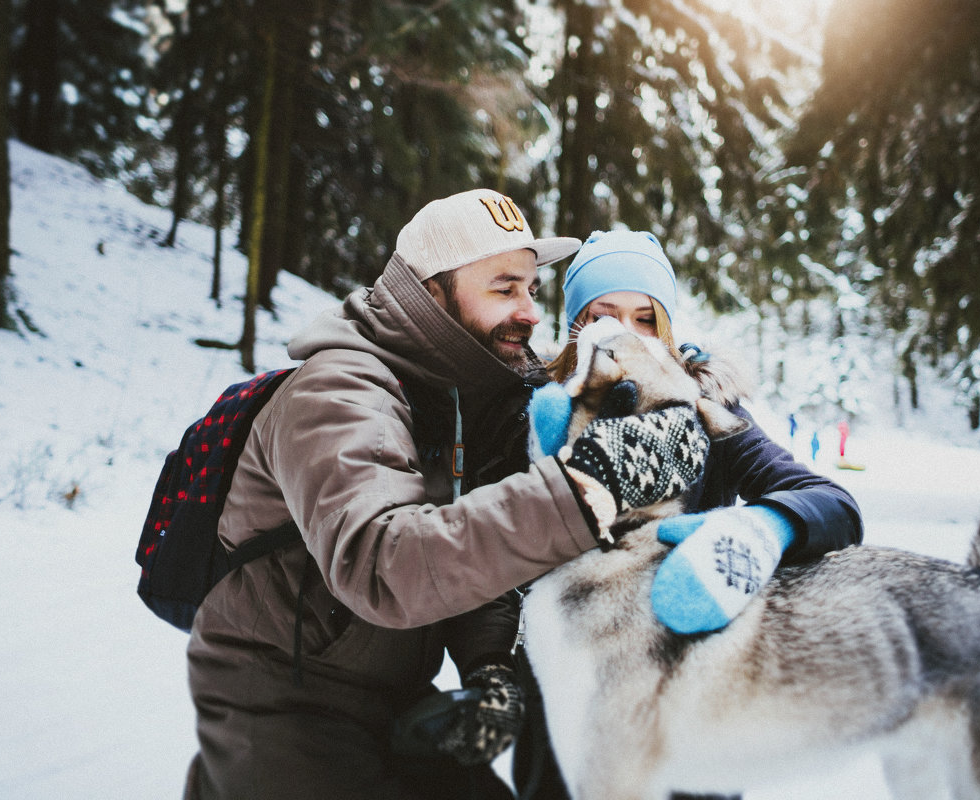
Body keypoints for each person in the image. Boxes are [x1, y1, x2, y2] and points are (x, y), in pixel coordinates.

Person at [184, 191, 695, 799]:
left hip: (389, 696)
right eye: (504, 289)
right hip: (280, 704)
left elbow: (459, 546)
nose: (531, 313)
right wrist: (586, 488)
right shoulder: (340, 393)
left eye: (532, 290)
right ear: (430, 293)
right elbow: (385, 560)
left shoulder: (452, 394)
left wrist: (489, 666)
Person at [513, 230, 864, 800]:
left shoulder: (707, 408)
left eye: (645, 318)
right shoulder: (535, 411)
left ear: (668, 329)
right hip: (567, 691)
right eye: (602, 316)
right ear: (575, 325)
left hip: (688, 696)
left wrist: (761, 527)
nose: (624, 335)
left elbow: (833, 505)